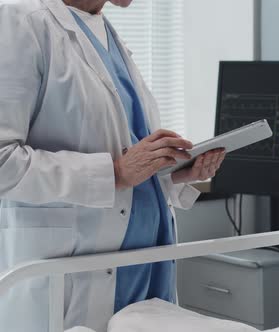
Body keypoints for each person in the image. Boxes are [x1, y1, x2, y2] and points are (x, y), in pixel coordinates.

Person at [0, 0, 225, 331]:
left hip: (145, 262)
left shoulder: (104, 32)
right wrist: (115, 173)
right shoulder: (21, 23)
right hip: (72, 271)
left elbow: (125, 155)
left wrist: (173, 174)